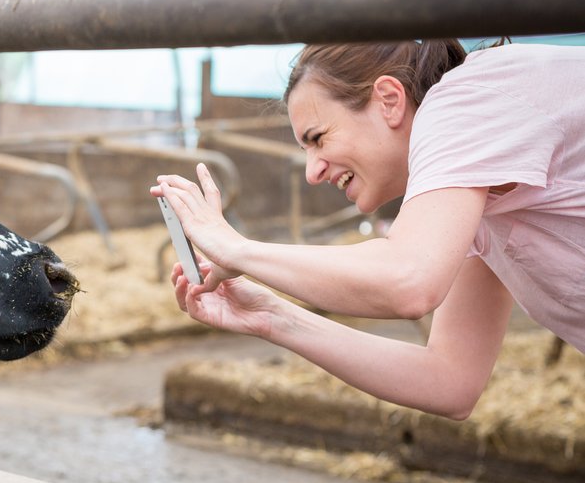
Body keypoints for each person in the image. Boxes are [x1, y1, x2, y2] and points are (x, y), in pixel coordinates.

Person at [151, 39, 585, 421]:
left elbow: (408, 281)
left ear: (390, 99)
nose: (312, 171)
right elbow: (450, 381)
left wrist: (235, 249)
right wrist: (271, 316)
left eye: (318, 137)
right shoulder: (471, 196)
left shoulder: (468, 96)